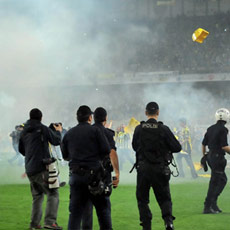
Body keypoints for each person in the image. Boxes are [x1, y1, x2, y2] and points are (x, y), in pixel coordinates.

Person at [61, 105, 112, 230]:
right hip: (94, 177)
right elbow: (106, 150)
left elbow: (65, 156)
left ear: (77, 117)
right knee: (103, 211)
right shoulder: (96, 131)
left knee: (75, 214)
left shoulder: (69, 133)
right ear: (90, 117)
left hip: (76, 176)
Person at [132, 102, 181, 230]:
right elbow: (177, 147)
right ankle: (168, 222)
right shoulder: (163, 129)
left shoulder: (139, 128)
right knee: (164, 198)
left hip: (143, 169)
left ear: (145, 112)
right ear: (158, 112)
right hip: (160, 168)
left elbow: (134, 147)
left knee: (142, 199)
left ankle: (146, 225)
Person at [19, 108, 63, 230]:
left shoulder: (24, 131)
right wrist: (58, 131)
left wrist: (32, 155)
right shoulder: (42, 128)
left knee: (37, 197)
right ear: (41, 117)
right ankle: (50, 221)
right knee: (53, 193)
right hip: (42, 168)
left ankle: (34, 224)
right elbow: (56, 140)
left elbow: (22, 150)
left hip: (30, 169)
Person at [202, 108, 230, 214]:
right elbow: (224, 146)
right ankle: (208, 205)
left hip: (210, 156)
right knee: (215, 182)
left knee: (221, 180)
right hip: (218, 158)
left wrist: (204, 155)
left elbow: (203, 143)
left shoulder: (210, 128)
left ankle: (213, 203)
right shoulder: (224, 130)